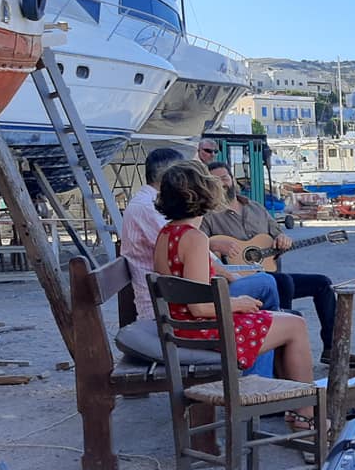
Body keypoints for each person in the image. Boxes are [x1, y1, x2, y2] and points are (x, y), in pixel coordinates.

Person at [153, 160, 316, 429]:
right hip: (202, 332)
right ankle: (305, 417)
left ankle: (289, 404)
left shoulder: (167, 233)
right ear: (202, 194)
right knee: (295, 325)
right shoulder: (194, 239)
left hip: (181, 328)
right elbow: (199, 308)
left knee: (282, 318)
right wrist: (237, 303)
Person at [120, 149, 281, 377]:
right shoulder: (158, 215)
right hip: (185, 318)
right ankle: (260, 379)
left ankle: (266, 373)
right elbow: (198, 304)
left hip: (178, 309)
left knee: (268, 295)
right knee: (269, 293)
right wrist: (237, 301)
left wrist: (231, 278)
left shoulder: (167, 228)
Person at [200, 162, 336, 357]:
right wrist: (213, 243)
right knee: (283, 281)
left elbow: (277, 235)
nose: (222, 184)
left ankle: (331, 349)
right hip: (238, 281)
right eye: (216, 180)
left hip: (269, 274)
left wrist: (282, 240)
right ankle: (283, 348)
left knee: (323, 283)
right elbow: (197, 245)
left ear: (233, 179)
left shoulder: (256, 208)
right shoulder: (208, 216)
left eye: (225, 178)